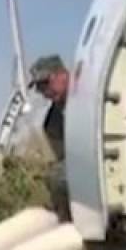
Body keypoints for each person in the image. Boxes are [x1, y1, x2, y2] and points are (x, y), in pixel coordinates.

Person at [29, 54, 72, 221]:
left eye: (46, 84)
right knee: (57, 176)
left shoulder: (91, 95)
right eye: (40, 89)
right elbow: (64, 158)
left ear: (63, 75)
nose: (45, 93)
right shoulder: (52, 123)